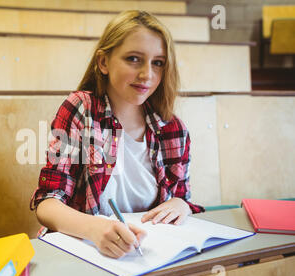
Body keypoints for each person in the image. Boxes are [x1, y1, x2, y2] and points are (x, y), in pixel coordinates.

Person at [30, 10, 204, 259]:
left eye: (158, 63)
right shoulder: (81, 108)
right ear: (103, 62)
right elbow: (47, 204)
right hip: (83, 249)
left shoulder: (172, 129)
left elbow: (180, 198)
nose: (147, 74)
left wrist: (181, 205)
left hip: (145, 255)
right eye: (134, 59)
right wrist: (95, 229)